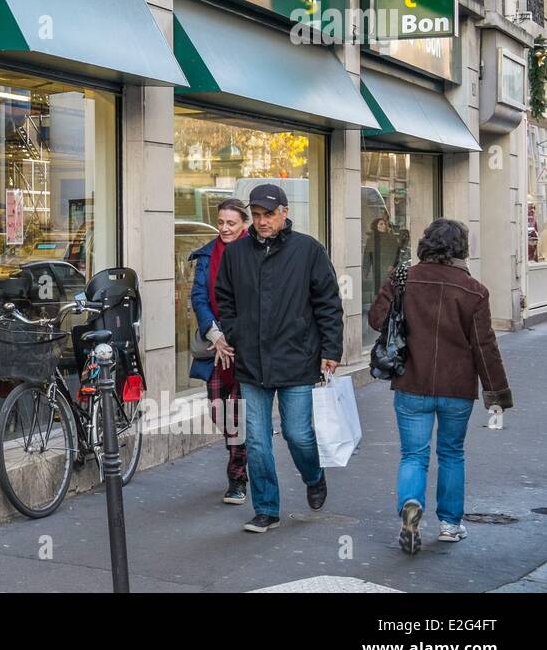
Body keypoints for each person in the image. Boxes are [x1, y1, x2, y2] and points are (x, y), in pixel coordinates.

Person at [367, 218, 513, 554]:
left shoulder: (404, 278)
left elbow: (376, 319)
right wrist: (497, 395)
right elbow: (484, 345)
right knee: (451, 454)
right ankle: (450, 525)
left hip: (411, 383)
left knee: (413, 456)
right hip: (456, 388)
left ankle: (410, 506)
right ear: (462, 249)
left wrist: (394, 288)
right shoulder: (474, 291)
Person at [215, 183, 343, 534]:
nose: (262, 221)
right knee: (256, 439)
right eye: (256, 216)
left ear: (284, 212)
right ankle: (266, 509)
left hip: (297, 358)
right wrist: (235, 330)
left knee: (297, 433)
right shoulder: (236, 253)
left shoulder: (308, 250)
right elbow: (224, 297)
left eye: (268, 214)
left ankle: (314, 475)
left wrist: (331, 350)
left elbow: (328, 303)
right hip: (252, 361)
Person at [187, 198, 250, 505]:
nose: (224, 228)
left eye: (231, 223)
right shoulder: (208, 253)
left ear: (244, 225)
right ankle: (240, 454)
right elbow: (198, 296)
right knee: (218, 408)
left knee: (237, 411)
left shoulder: (255, 251)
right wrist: (215, 333)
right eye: (221, 222)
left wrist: (236, 336)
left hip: (246, 346)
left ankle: (237, 477)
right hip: (215, 344)